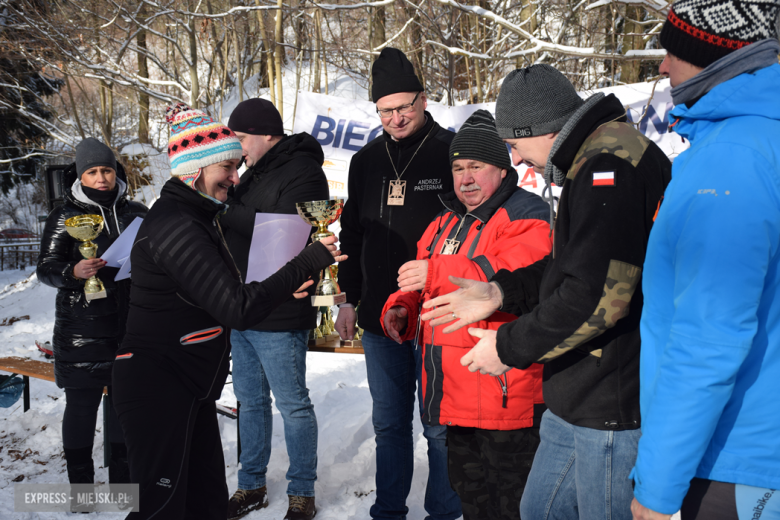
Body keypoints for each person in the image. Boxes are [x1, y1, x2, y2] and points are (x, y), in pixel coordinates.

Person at [419, 64, 672, 520]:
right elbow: (571, 266)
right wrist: (501, 291)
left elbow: (597, 295)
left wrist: (508, 346)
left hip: (610, 400)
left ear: (539, 129)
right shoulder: (589, 159)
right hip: (575, 392)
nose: (515, 159)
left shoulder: (608, 164)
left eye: (513, 145)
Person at [111, 104, 344, 520]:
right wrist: (305, 262)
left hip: (188, 388)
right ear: (194, 169)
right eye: (227, 168)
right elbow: (235, 306)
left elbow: (227, 287)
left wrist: (281, 288)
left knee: (206, 507)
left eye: (238, 166)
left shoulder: (199, 216)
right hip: (157, 388)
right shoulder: (176, 225)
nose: (236, 179)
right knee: (159, 508)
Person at [629, 1, 780, 519]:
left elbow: (708, 338)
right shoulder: (760, 140)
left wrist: (656, 486)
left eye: (674, 52)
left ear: (715, 54)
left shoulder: (732, 158)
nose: (664, 67)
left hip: (735, 462)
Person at [380, 110, 552, 520]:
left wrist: (436, 272)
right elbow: (418, 286)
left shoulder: (527, 214)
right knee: (473, 506)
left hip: (505, 400)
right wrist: (402, 308)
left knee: (512, 508)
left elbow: (507, 274)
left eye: (476, 166)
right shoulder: (443, 221)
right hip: (453, 399)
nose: (465, 178)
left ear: (502, 166)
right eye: (458, 168)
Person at [335, 47, 462, 520]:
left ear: (424, 99)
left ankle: (443, 512)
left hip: (437, 315)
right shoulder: (365, 161)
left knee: (439, 426)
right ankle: (388, 512)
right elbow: (352, 233)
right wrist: (347, 298)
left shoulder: (451, 150)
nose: (395, 117)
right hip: (378, 319)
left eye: (403, 106)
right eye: (385, 110)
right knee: (389, 425)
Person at [221, 97, 329, 520]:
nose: (238, 148)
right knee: (249, 401)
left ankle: (302, 491)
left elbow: (283, 232)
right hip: (242, 304)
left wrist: (224, 209)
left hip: (281, 308)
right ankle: (250, 485)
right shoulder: (249, 175)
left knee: (293, 404)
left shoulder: (303, 171)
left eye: (242, 138)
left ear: (268, 133)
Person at [37, 137, 148, 485]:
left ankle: (122, 483)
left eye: (107, 170)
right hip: (81, 329)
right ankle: (81, 487)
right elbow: (46, 267)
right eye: (93, 171)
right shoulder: (65, 216)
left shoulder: (137, 213)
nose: (101, 178)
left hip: (130, 324)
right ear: (81, 176)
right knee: (82, 408)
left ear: (116, 173)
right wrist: (73, 272)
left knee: (123, 408)